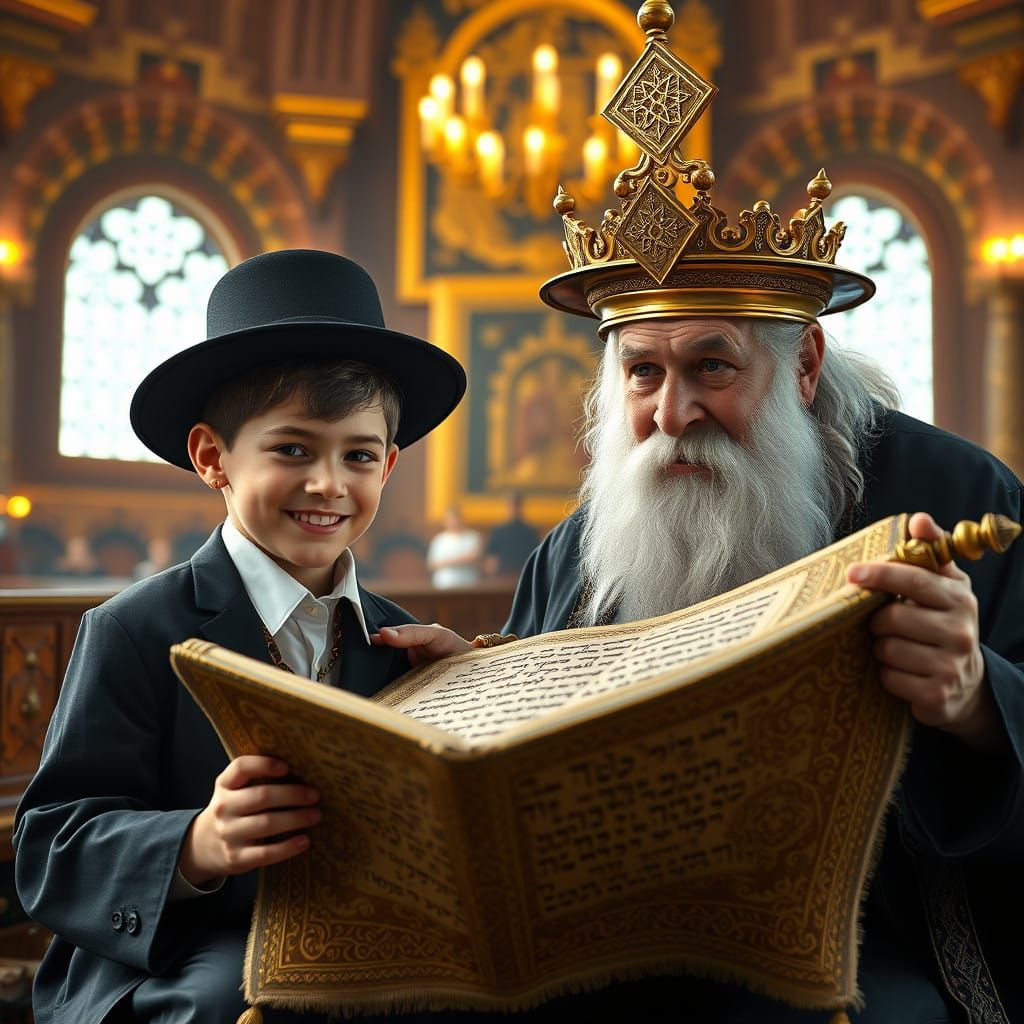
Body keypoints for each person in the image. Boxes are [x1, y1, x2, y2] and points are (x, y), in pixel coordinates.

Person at [379, 5, 1024, 1020]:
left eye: (711, 366)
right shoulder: (583, 541)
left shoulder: (958, 496)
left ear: (802, 363)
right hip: (612, 938)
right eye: (641, 372)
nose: (672, 414)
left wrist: (978, 699)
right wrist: (477, 687)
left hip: (871, 937)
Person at [12, 249, 467, 1024]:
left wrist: (471, 696)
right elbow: (51, 849)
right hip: (186, 951)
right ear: (212, 457)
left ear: (388, 466)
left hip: (365, 941)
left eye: (357, 455)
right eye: (292, 449)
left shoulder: (407, 645)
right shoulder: (132, 629)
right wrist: (196, 845)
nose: (328, 484)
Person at [481, 492, 541, 580]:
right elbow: (490, 559)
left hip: (525, 576)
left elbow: (537, 558)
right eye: (510, 505)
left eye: (516, 505)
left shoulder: (531, 531)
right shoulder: (498, 531)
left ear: (521, 507)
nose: (513, 509)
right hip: (501, 577)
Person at [426, 505, 482, 588]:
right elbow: (431, 564)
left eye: (455, 519)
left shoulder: (472, 537)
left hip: (468, 584)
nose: (453, 522)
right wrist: (460, 560)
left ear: (461, 519)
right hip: (444, 584)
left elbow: (474, 557)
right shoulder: (439, 539)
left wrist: (447, 561)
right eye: (450, 519)